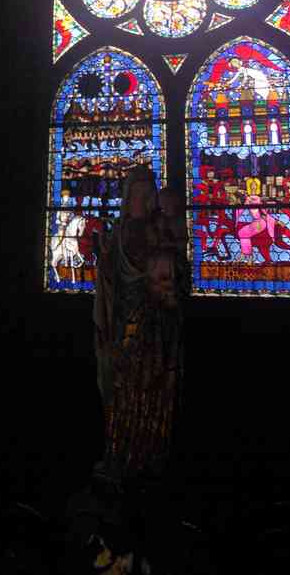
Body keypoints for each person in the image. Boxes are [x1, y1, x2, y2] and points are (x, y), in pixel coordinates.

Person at [94, 167, 188, 487]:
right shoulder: (118, 232)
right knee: (122, 388)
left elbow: (176, 271)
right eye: (139, 192)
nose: (146, 199)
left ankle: (150, 453)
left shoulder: (159, 228)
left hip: (156, 325)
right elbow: (108, 281)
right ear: (128, 195)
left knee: (154, 384)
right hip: (123, 324)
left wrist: (164, 267)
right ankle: (121, 452)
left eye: (150, 192)